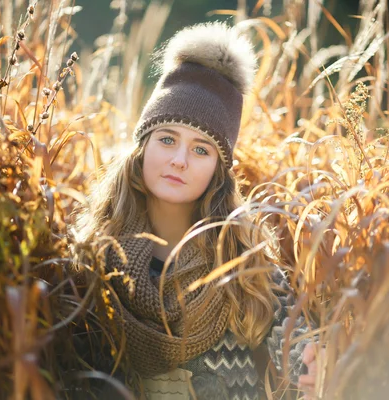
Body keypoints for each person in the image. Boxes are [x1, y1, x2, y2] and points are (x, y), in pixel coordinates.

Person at [74, 22, 320, 400]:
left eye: (201, 149)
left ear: (218, 170)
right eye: (167, 139)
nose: (179, 160)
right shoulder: (94, 254)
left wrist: (313, 364)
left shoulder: (241, 260)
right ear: (142, 148)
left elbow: (296, 340)